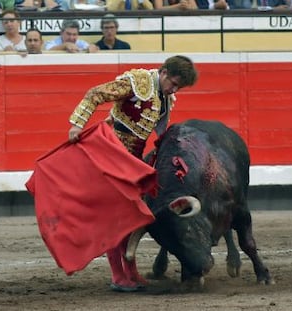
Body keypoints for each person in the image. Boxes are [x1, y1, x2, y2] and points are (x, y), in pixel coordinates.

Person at [68, 55, 198, 292]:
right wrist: (78, 123)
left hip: (131, 160)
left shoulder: (165, 98)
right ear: (165, 72)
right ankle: (119, 276)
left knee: (128, 217)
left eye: (179, 87)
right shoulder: (138, 81)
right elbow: (95, 94)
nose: (174, 89)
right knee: (115, 217)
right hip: (110, 154)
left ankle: (131, 273)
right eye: (174, 83)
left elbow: (158, 134)